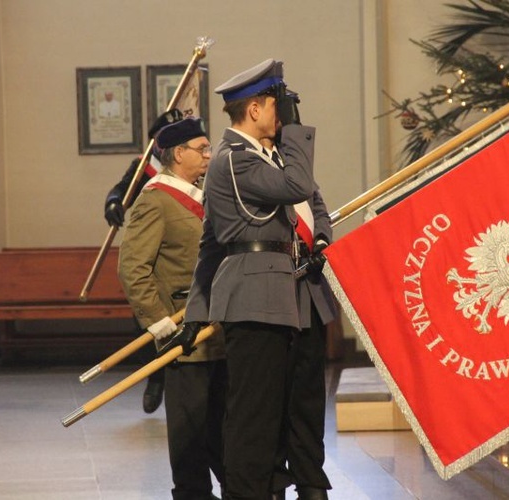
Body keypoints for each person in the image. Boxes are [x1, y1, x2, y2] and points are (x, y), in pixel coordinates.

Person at [182, 58, 321, 500]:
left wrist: (196, 311)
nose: (285, 116)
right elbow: (299, 185)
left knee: (266, 418)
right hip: (256, 298)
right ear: (256, 109)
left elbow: (209, 245)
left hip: (269, 298)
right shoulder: (235, 160)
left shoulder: (254, 157)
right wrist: (297, 130)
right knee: (252, 423)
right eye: (280, 106)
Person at [118, 116, 227, 500]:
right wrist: (161, 325)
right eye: (202, 149)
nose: (209, 156)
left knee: (221, 423)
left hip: (218, 330)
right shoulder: (155, 200)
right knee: (190, 428)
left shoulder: (206, 194)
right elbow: (133, 268)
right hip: (184, 335)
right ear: (178, 154)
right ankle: (193, 493)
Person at [262, 135, 336, 500]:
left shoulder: (299, 172)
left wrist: (322, 240)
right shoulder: (252, 166)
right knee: (272, 395)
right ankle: (275, 479)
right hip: (273, 297)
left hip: (309, 296)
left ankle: (310, 477)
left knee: (308, 396)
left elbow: (318, 210)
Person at [104, 108, 184, 414]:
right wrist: (113, 203)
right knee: (149, 318)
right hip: (152, 254)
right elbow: (120, 190)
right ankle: (155, 376)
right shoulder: (143, 168)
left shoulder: (195, 168)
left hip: (182, 252)